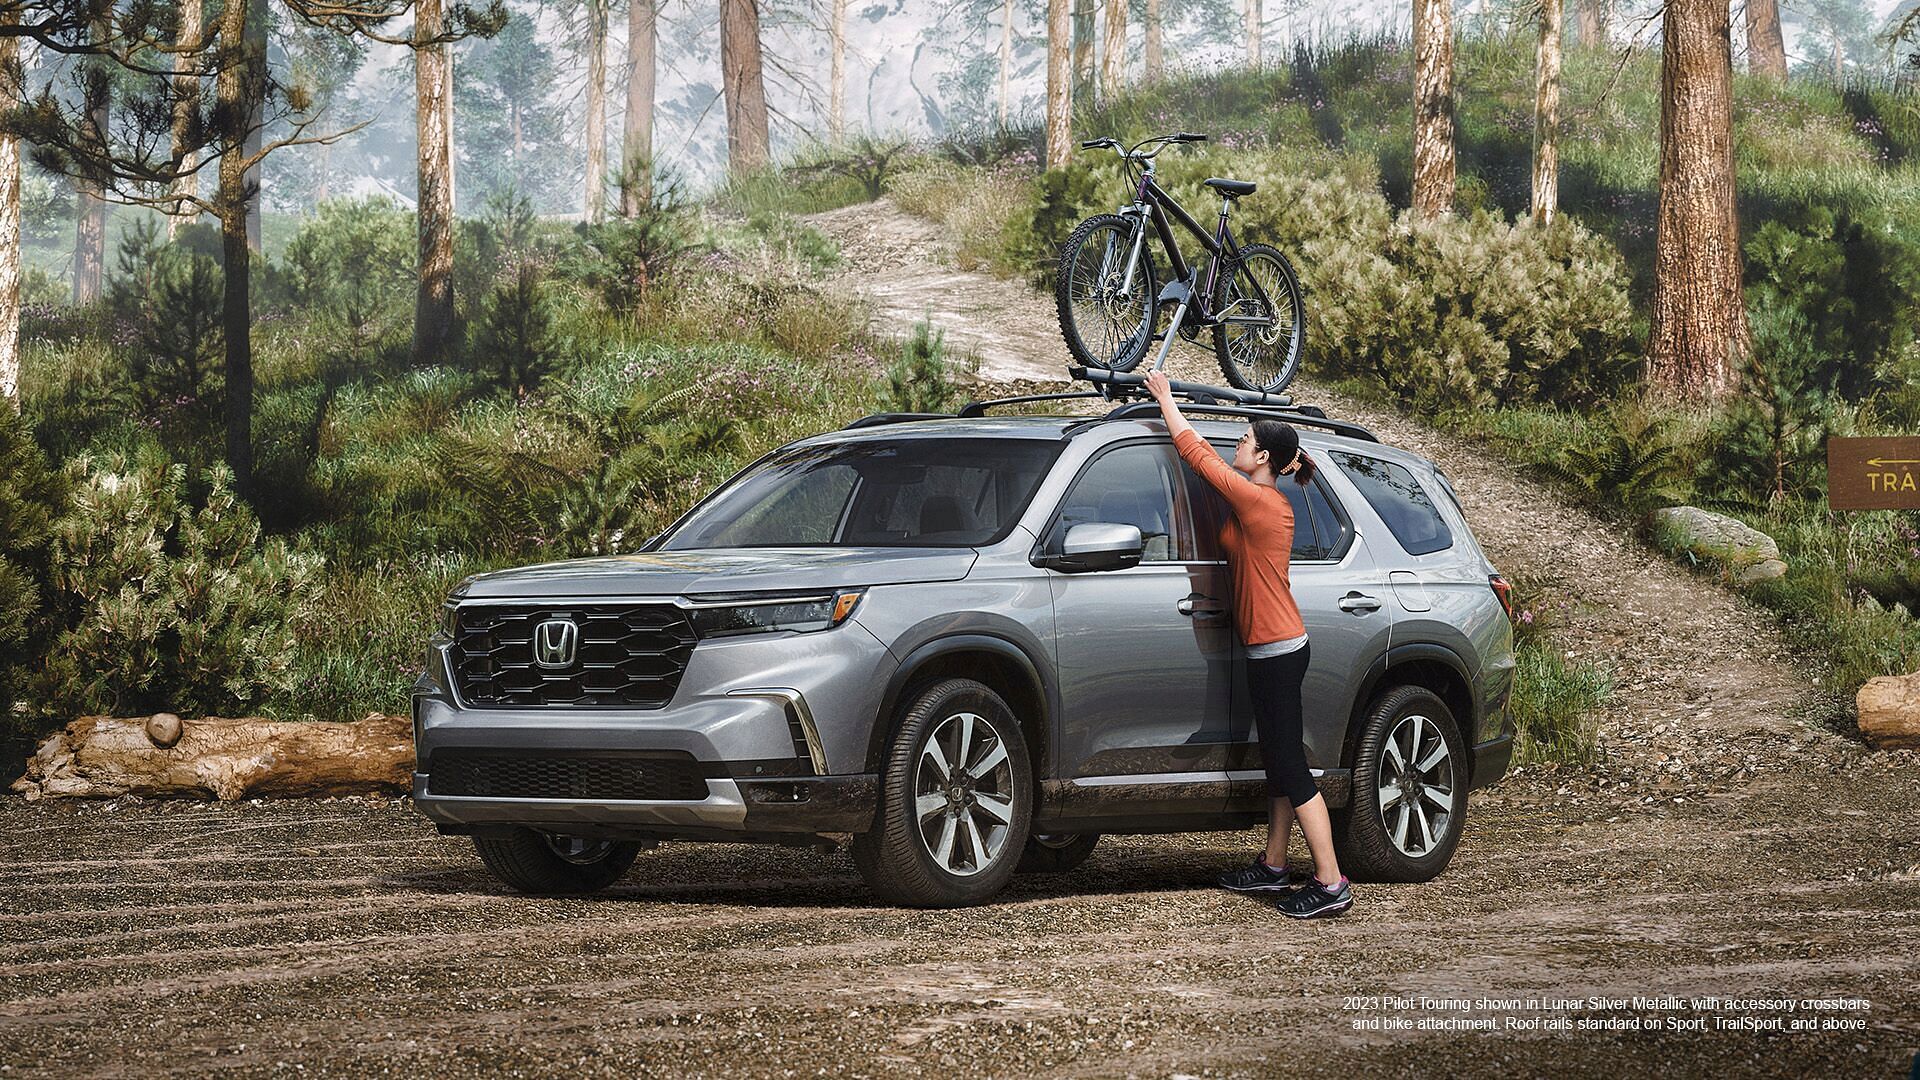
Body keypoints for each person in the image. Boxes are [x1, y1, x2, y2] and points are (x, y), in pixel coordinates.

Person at [1143, 369, 1352, 919]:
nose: (1235, 445)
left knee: (1289, 765)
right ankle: (1275, 865)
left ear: (1261, 457)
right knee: (1278, 759)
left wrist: (1166, 398)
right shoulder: (1259, 500)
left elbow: (1195, 454)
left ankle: (1331, 882)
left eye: (1243, 440)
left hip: (1279, 649)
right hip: (1273, 649)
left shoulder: (1260, 501)